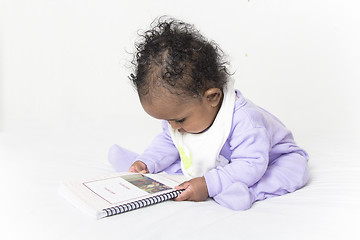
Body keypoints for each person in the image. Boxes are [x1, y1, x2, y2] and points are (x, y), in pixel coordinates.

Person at [109, 17, 309, 210]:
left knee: (292, 170)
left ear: (212, 97)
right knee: (181, 163)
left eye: (179, 119)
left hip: (267, 160)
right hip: (223, 162)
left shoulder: (244, 119)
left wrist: (208, 184)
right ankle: (145, 172)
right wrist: (148, 161)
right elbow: (169, 142)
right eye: (167, 120)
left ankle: (247, 193)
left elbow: (251, 164)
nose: (173, 126)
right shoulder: (181, 115)